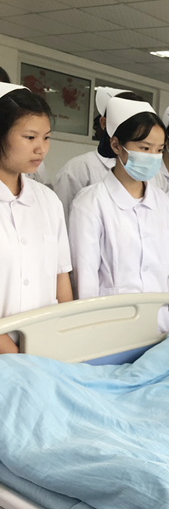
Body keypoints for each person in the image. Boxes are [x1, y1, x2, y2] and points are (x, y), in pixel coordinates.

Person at [68, 98, 169, 334]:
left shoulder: (163, 203)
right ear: (116, 145)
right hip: (111, 329)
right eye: (144, 148)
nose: (153, 156)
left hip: (162, 327)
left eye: (159, 150)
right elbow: (86, 280)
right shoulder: (90, 203)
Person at [0, 82, 73, 354]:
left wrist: (66, 342)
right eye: (30, 137)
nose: (41, 149)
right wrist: (21, 361)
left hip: (47, 349)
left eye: (46, 137)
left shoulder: (48, 201)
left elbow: (61, 278)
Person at [54, 88, 143, 222]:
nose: (133, 131)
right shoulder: (79, 169)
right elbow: (63, 221)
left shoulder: (149, 170)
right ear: (103, 123)